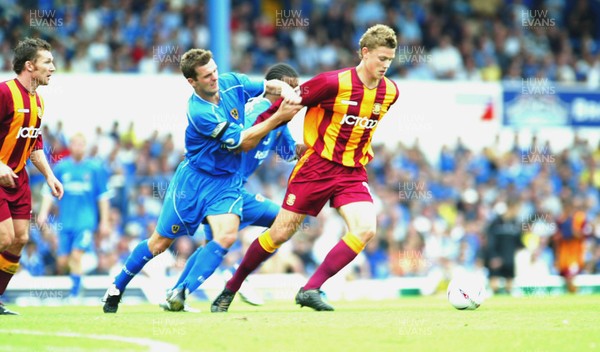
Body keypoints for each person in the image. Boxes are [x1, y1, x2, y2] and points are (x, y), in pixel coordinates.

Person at [211, 24, 400, 312]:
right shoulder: (331, 82)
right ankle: (231, 287)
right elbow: (289, 103)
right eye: (381, 58)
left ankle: (311, 288)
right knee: (280, 234)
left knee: (365, 229)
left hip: (352, 172)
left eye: (390, 59)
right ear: (364, 53)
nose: (386, 65)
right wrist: (253, 131)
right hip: (316, 168)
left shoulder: (391, 93)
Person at [102, 49, 302, 313]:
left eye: (215, 71)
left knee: (229, 236)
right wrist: (279, 116)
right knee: (160, 244)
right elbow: (242, 143)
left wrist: (288, 94)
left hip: (227, 183)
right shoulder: (200, 112)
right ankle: (117, 286)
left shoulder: (233, 82)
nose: (214, 78)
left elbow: (269, 85)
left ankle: (188, 290)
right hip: (193, 182)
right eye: (207, 75)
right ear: (192, 81)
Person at [160, 63, 303, 311]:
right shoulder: (254, 112)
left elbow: (289, 152)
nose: (298, 98)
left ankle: (181, 291)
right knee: (232, 237)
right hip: (222, 188)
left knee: (222, 242)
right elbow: (237, 139)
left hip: (235, 190)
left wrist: (327, 147)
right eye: (294, 90)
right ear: (279, 91)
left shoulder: (279, 122)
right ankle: (232, 276)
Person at [0, 37, 64, 315]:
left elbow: (34, 144)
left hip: (18, 180)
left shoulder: (38, 102)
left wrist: (49, 175)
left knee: (20, 238)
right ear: (30, 66)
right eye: (47, 62)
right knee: (3, 237)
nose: (53, 67)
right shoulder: (4, 93)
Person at [37, 133, 111, 300]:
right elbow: (48, 192)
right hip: (66, 223)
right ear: (70, 146)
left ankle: (75, 294)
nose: (78, 147)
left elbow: (103, 197)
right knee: (63, 261)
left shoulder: (95, 169)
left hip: (85, 222)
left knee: (77, 256)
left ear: (85, 146)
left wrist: (105, 221)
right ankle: (75, 285)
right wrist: (43, 213)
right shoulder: (61, 168)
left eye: (81, 144)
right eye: (75, 144)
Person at [485, 199, 523, 294]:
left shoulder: (516, 223)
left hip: (509, 259)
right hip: (496, 258)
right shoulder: (496, 222)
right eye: (517, 209)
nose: (518, 212)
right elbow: (490, 241)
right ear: (511, 208)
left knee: (509, 286)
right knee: (494, 284)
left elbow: (519, 242)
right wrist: (493, 256)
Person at [554, 198, 591, 293]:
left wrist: (574, 232)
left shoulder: (580, 218)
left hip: (575, 254)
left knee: (571, 275)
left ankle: (574, 292)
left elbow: (585, 234)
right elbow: (556, 237)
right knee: (567, 275)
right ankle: (573, 292)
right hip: (564, 254)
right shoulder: (561, 220)